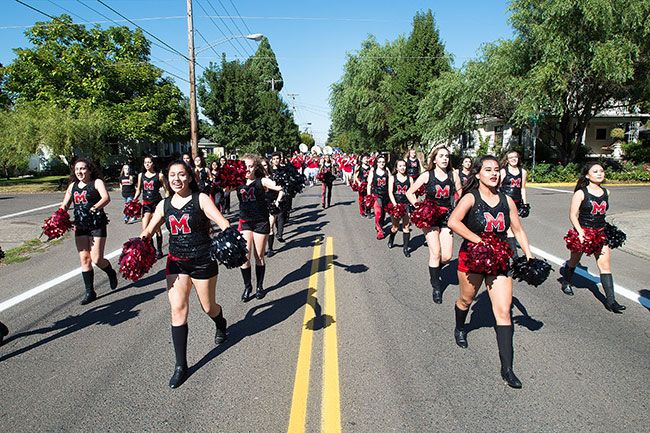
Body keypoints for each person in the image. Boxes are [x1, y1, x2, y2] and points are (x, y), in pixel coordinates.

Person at [141, 160, 231, 389]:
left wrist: (229, 238)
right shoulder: (164, 204)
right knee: (178, 309)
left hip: (202, 261)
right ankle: (181, 366)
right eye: (172, 175)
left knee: (208, 307)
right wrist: (139, 244)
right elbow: (149, 230)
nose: (177, 179)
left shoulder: (200, 199)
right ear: (167, 178)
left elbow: (222, 222)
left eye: (182, 174)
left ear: (190, 177)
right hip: (176, 263)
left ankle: (220, 322)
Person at [448, 155, 535, 389]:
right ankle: (460, 327)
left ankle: (507, 369)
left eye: (497, 169)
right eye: (488, 170)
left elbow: (517, 229)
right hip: (473, 256)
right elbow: (454, 222)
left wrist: (529, 254)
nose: (494, 173)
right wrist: (479, 241)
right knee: (466, 300)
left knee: (504, 312)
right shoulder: (470, 197)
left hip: (499, 258)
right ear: (477, 174)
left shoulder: (507, 200)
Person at [559, 162, 626, 313]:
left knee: (605, 266)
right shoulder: (581, 193)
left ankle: (611, 301)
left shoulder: (606, 192)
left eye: (601, 171)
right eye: (595, 171)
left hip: (601, 234)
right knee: (574, 261)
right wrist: (581, 233)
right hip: (583, 232)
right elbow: (572, 215)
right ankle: (566, 281)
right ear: (587, 175)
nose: (599, 173)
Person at [406, 146, 462, 304]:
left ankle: (436, 268)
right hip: (430, 216)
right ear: (435, 159)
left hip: (446, 216)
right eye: (441, 156)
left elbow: (460, 194)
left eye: (447, 156)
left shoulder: (453, 175)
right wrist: (419, 207)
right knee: (435, 252)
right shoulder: (426, 175)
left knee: (447, 256)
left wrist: (459, 209)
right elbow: (409, 192)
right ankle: (436, 286)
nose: (445, 159)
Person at [60, 158, 118, 305]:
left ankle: (110, 272)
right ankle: (90, 291)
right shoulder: (72, 186)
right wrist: (58, 217)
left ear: (89, 170)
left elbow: (106, 197)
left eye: (83, 168)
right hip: (80, 225)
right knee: (85, 259)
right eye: (77, 169)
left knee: (97, 259)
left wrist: (95, 207)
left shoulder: (96, 182)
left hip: (96, 223)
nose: (80, 171)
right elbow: (65, 204)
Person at [237, 155, 285, 301]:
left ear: (256, 167)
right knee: (244, 257)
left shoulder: (261, 181)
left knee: (259, 256)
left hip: (260, 222)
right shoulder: (237, 183)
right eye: (244, 165)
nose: (247, 168)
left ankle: (259, 286)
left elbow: (278, 186)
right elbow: (221, 188)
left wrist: (284, 180)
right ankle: (247, 286)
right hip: (245, 222)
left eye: (250, 166)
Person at [134, 156, 168, 259]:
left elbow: (167, 190)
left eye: (149, 162)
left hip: (156, 203)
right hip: (146, 204)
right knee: (145, 229)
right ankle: (152, 249)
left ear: (153, 163)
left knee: (156, 228)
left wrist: (166, 201)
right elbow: (139, 190)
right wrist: (133, 200)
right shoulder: (141, 175)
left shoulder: (159, 175)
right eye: (145, 162)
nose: (147, 164)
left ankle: (159, 250)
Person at [499, 151, 528, 257]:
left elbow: (523, 188)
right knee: (509, 226)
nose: (513, 159)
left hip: (516, 202)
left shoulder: (523, 171)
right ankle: (514, 254)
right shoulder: (503, 171)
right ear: (507, 159)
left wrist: (525, 204)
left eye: (515, 157)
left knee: (515, 225)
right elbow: (498, 186)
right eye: (511, 157)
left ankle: (510, 245)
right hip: (505, 201)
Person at [387, 159, 413, 256]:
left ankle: (405, 248)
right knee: (395, 227)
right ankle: (391, 238)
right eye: (400, 166)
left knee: (406, 226)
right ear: (396, 168)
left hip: (406, 205)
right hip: (396, 204)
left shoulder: (409, 179)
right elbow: (390, 192)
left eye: (404, 166)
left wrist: (415, 204)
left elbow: (412, 192)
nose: (402, 167)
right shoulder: (392, 178)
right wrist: (395, 205)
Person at [366, 155, 391, 239]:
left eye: (383, 162)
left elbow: (391, 182)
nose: (381, 163)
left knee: (383, 213)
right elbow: (369, 184)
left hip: (386, 195)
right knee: (378, 212)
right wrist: (369, 196)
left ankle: (379, 225)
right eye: (379, 162)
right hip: (376, 194)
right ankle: (379, 231)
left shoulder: (387, 170)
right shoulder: (373, 171)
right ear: (376, 162)